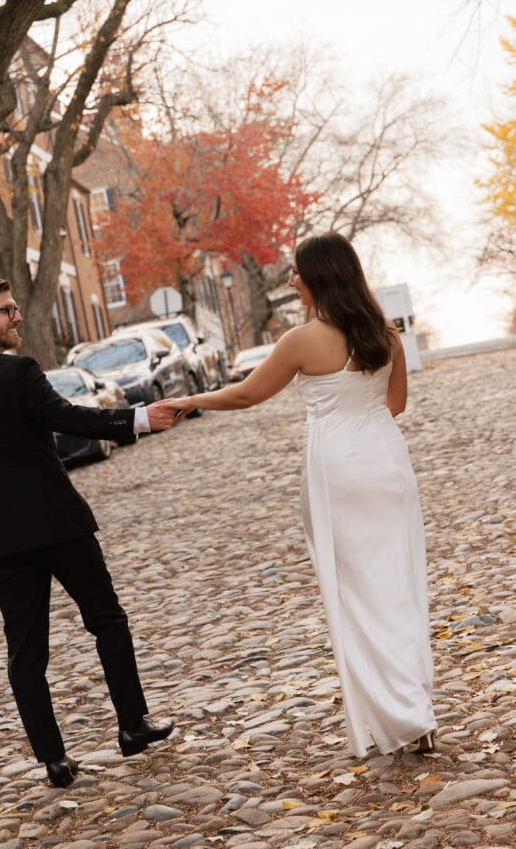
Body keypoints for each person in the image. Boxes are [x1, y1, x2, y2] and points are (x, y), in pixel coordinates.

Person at [166, 233, 436, 758]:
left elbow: (247, 393)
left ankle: (399, 711)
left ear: (317, 276)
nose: (290, 280)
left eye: (295, 271)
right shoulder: (385, 333)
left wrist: (190, 399)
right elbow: (395, 405)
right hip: (386, 463)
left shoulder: (301, 340)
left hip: (336, 469)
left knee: (357, 594)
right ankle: (417, 711)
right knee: (398, 585)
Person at [0, 277, 177, 789]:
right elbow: (68, 418)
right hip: (58, 523)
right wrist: (140, 418)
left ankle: (54, 761)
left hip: (2, 542)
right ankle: (132, 726)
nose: (17, 317)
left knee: (25, 653)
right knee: (106, 619)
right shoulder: (17, 370)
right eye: (8, 310)